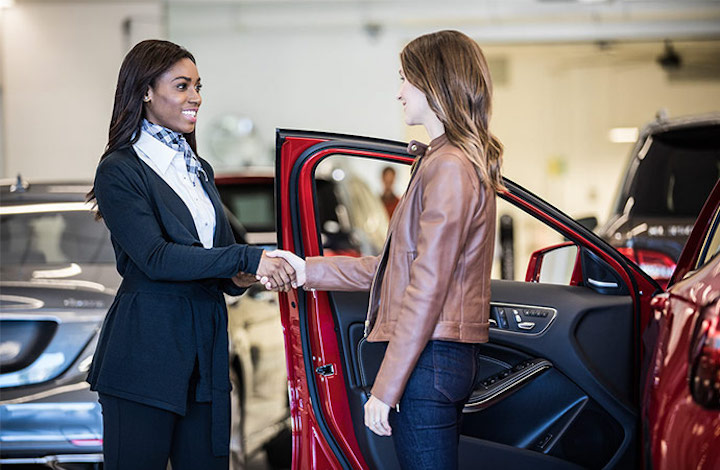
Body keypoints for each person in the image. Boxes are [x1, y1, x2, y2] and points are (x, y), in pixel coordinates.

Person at [272, 30, 504, 469]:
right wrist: (306, 270)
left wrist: (386, 385)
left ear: (433, 84)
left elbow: (428, 285)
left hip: (429, 362)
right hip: (436, 360)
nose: (399, 92)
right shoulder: (443, 161)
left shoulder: (449, 167)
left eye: (405, 79)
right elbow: (394, 268)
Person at [86, 39, 295, 470]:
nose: (195, 97)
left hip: (206, 352)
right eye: (182, 86)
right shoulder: (120, 170)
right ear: (145, 91)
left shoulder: (197, 168)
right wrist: (245, 260)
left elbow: (214, 255)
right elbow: (158, 258)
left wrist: (242, 275)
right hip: (146, 352)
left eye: (198, 86)